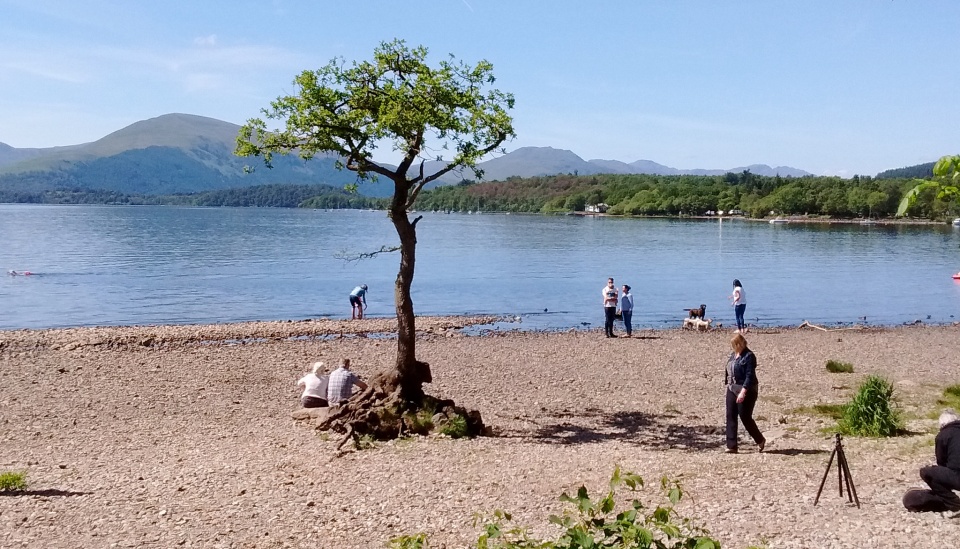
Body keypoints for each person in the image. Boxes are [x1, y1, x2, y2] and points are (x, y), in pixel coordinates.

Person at [903, 409, 960, 512]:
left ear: (942, 425)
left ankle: (953, 503)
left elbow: (941, 463)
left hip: (957, 477)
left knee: (926, 472)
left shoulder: (943, 435)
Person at [724, 333, 765, 454]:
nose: (734, 347)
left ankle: (760, 439)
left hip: (747, 389)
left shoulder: (749, 356)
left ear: (741, 343)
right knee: (730, 415)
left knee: (745, 417)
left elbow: (749, 376)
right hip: (732, 388)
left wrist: (743, 392)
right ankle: (731, 445)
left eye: (736, 344)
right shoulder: (733, 355)